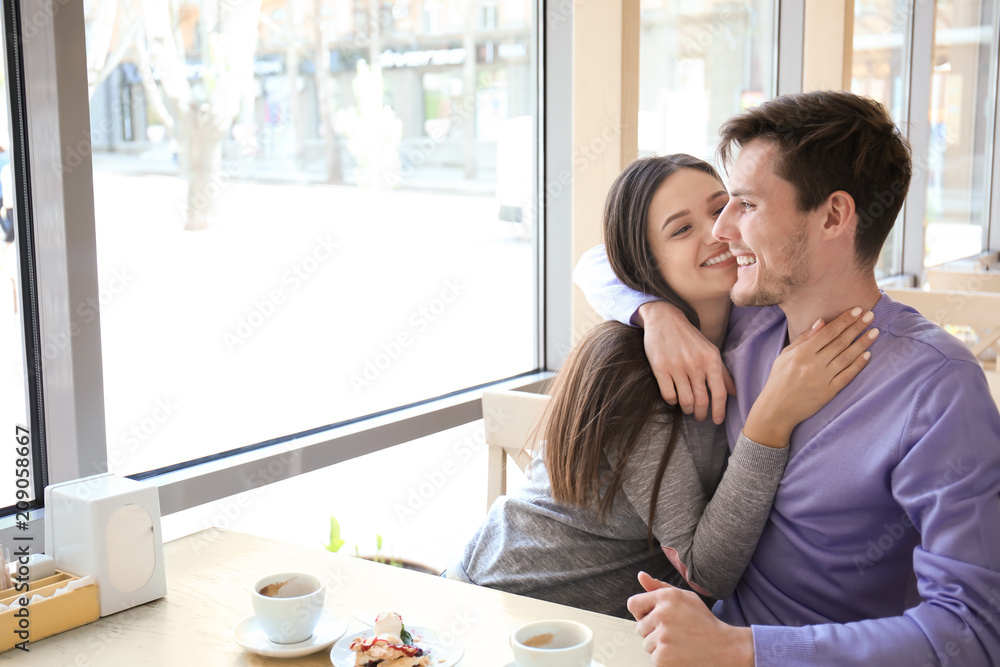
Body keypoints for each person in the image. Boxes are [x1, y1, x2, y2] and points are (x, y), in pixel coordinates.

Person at [575, 91, 1000, 665]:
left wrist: (742, 649)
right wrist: (655, 313)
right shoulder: (745, 323)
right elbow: (609, 256)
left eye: (744, 204)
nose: (723, 229)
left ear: (833, 216)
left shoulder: (938, 387)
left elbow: (971, 632)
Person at [447, 154, 876, 619]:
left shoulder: (758, 318)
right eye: (680, 229)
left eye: (720, 209)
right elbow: (706, 572)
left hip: (609, 632)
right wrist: (770, 419)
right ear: (644, 263)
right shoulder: (626, 367)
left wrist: (656, 310)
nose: (717, 232)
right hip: (503, 602)